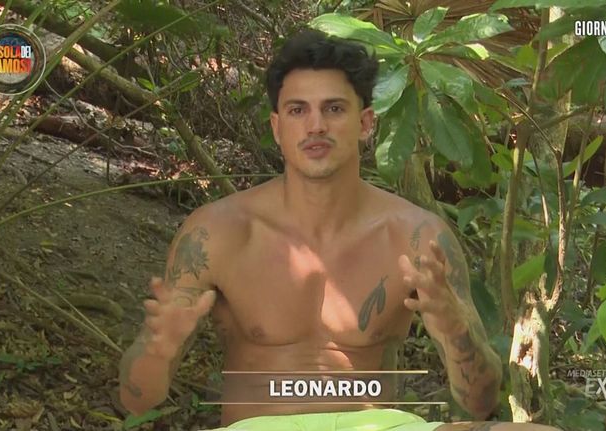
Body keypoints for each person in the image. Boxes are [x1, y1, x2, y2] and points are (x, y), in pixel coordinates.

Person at [118, 29, 560, 431]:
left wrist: (454, 327)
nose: (316, 126)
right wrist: (159, 349)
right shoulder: (218, 232)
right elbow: (137, 401)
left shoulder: (417, 236)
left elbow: (480, 401)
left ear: (365, 123)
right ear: (277, 127)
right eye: (298, 110)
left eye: (333, 108)